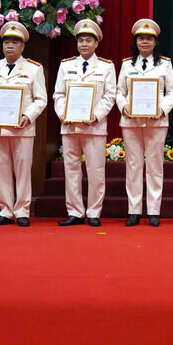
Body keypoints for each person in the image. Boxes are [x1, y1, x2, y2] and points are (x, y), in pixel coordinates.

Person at [0, 21, 47, 227]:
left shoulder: (34, 69)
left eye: (15, 42)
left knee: (23, 170)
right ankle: (5, 210)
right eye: (6, 42)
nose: (10, 46)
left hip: (23, 128)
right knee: (2, 169)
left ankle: (23, 210)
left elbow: (41, 99)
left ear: (23, 46)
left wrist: (28, 115)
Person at [116, 19, 173, 227]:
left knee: (154, 166)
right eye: (141, 38)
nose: (145, 41)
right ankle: (133, 210)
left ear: (155, 42)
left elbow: (172, 92)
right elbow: (119, 92)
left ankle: (153, 211)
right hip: (131, 121)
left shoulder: (164, 64)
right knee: (133, 166)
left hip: (156, 121)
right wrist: (124, 106)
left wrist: (161, 109)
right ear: (136, 41)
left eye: (149, 38)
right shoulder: (127, 64)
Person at [53, 19, 116, 227]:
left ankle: (94, 212)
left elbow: (109, 97)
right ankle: (75, 211)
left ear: (96, 43)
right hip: (70, 125)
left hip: (94, 126)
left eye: (89, 40)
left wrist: (95, 115)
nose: (84, 44)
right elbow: (59, 95)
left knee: (96, 170)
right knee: (71, 169)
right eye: (81, 41)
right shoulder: (66, 65)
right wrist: (64, 114)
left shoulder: (106, 67)